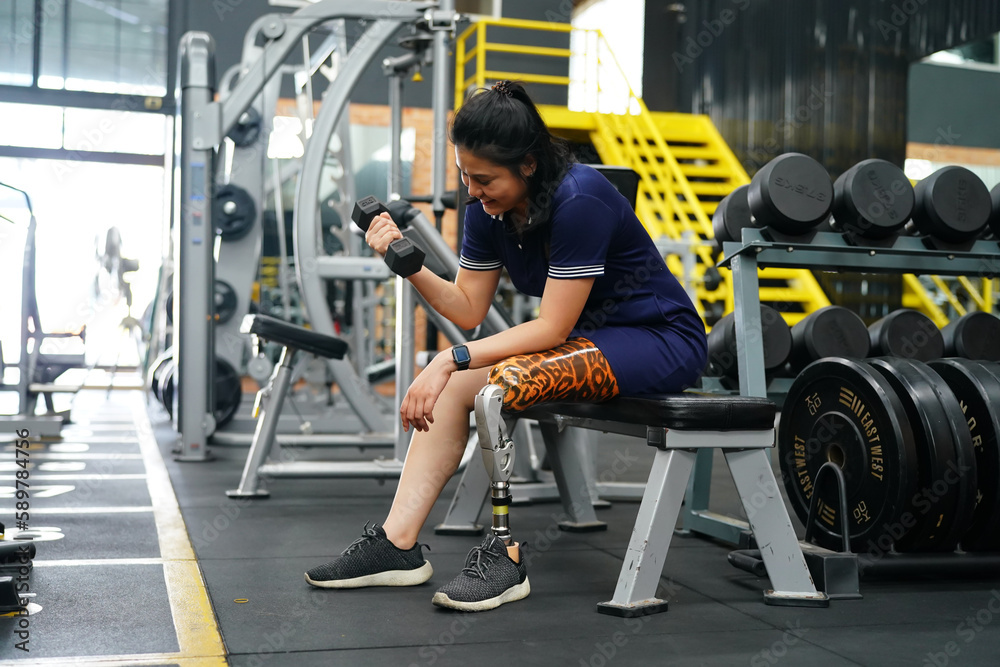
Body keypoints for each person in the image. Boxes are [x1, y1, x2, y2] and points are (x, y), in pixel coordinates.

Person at [304, 80, 707, 612]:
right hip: (590, 342)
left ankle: (505, 554)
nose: (472, 189)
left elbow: (551, 330)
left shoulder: (580, 200)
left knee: (499, 385)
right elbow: (468, 307)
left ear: (529, 165)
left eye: (485, 178)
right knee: (455, 387)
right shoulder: (487, 212)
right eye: (464, 174)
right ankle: (397, 545)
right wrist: (403, 259)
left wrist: (449, 358)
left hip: (658, 338)